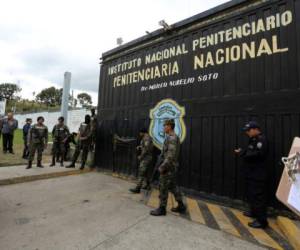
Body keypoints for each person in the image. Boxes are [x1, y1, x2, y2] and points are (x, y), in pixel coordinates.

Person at [234, 121, 269, 229]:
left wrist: (242, 153)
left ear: (255, 129)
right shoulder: (253, 139)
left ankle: (262, 221)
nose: (247, 133)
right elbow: (250, 151)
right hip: (251, 172)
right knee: (252, 194)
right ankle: (254, 212)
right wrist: (243, 151)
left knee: (258, 196)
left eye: (248, 130)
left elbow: (257, 154)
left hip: (258, 173)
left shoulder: (261, 140)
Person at [150, 119, 186, 216]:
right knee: (173, 186)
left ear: (169, 126)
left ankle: (162, 209)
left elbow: (170, 155)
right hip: (171, 166)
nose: (163, 127)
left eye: (165, 125)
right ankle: (181, 206)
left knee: (163, 187)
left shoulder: (172, 138)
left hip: (168, 167)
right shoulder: (171, 137)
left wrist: (163, 166)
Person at [129, 128, 153, 193]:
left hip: (146, 158)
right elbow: (145, 146)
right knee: (145, 172)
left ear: (143, 132)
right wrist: (140, 146)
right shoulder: (146, 138)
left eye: (140, 133)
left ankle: (138, 188)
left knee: (141, 172)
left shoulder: (146, 138)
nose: (139, 134)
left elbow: (146, 149)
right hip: (147, 157)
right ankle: (148, 186)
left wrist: (141, 156)